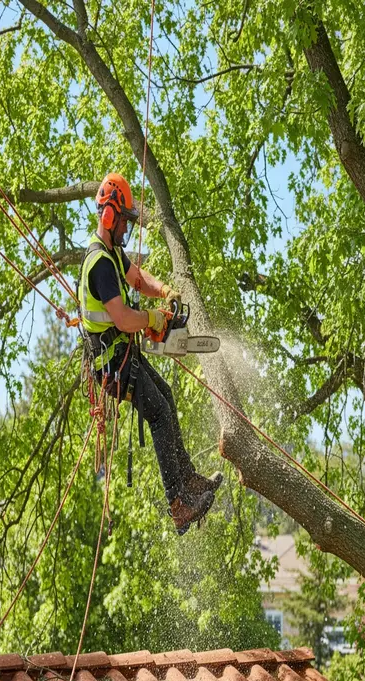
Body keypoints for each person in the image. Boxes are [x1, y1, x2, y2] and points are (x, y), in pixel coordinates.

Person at [79, 173, 222, 534]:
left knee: (167, 399)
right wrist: (152, 318)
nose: (127, 227)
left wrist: (166, 292)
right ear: (110, 217)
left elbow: (139, 279)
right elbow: (124, 317)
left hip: (122, 355)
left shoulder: (113, 254)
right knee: (157, 413)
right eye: (125, 220)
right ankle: (177, 503)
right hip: (110, 365)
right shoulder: (99, 264)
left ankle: (188, 482)